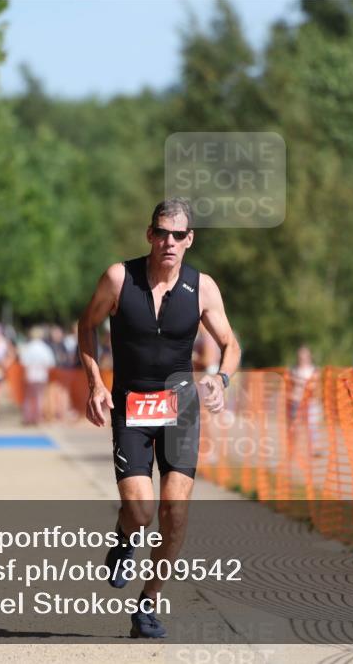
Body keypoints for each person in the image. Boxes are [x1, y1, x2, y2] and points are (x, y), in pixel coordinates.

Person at [77, 198, 241, 639]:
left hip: (182, 409)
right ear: (150, 234)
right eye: (162, 233)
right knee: (141, 509)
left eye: (178, 235)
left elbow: (230, 343)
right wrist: (95, 382)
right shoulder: (119, 278)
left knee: (174, 513)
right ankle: (126, 535)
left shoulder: (202, 287)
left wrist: (221, 380)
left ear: (190, 240)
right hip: (130, 406)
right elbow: (86, 325)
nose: (169, 242)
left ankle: (148, 602)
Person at [17, 326, 56, 425]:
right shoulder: (45, 348)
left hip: (30, 376)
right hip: (42, 376)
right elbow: (50, 363)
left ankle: (28, 417)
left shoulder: (28, 347)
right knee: (40, 397)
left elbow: (24, 363)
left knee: (28, 398)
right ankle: (38, 417)